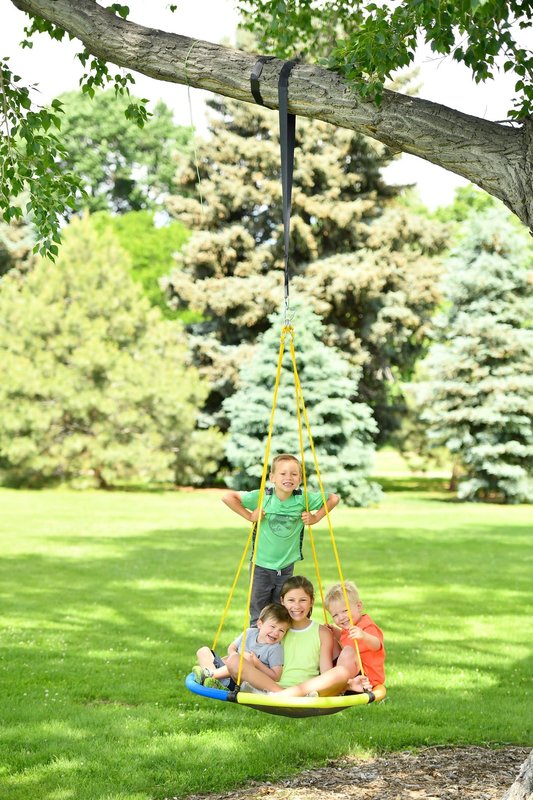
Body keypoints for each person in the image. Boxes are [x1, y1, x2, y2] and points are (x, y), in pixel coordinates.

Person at [222, 454, 340, 626]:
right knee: (259, 612)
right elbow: (228, 497)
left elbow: (333, 498)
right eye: (283, 473)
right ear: (272, 477)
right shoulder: (262, 497)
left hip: (285, 567)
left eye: (294, 474)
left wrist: (316, 517)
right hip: (261, 565)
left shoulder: (302, 499)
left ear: (300, 479)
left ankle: (279, 641)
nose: (288, 478)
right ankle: (256, 640)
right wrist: (250, 516)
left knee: (282, 611)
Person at [225, 575, 369, 696]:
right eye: (291, 600)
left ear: (311, 602)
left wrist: (346, 684)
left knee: (341, 672)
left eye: (303, 600)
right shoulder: (274, 630)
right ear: (282, 601)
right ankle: (281, 694)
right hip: (271, 686)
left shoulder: (322, 632)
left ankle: (286, 695)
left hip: (307, 691)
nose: (297, 606)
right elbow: (253, 657)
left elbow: (326, 674)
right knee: (233, 661)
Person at [192, 603, 292, 690]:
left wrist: (256, 663)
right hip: (227, 669)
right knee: (203, 650)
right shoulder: (249, 633)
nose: (276, 633)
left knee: (246, 657)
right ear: (260, 624)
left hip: (239, 681)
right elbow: (232, 647)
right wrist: (233, 657)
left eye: (281, 630)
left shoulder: (275, 649)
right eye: (273, 626)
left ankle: (209, 675)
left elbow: (276, 677)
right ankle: (212, 681)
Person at [324, 580, 385, 690]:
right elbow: (345, 639)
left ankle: (336, 684)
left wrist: (364, 636)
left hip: (366, 678)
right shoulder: (348, 628)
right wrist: (334, 632)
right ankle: (327, 678)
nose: (341, 617)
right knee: (328, 639)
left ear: (359, 606)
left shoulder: (367, 626)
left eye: (345, 611)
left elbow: (377, 645)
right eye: (335, 615)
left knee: (348, 651)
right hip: (353, 672)